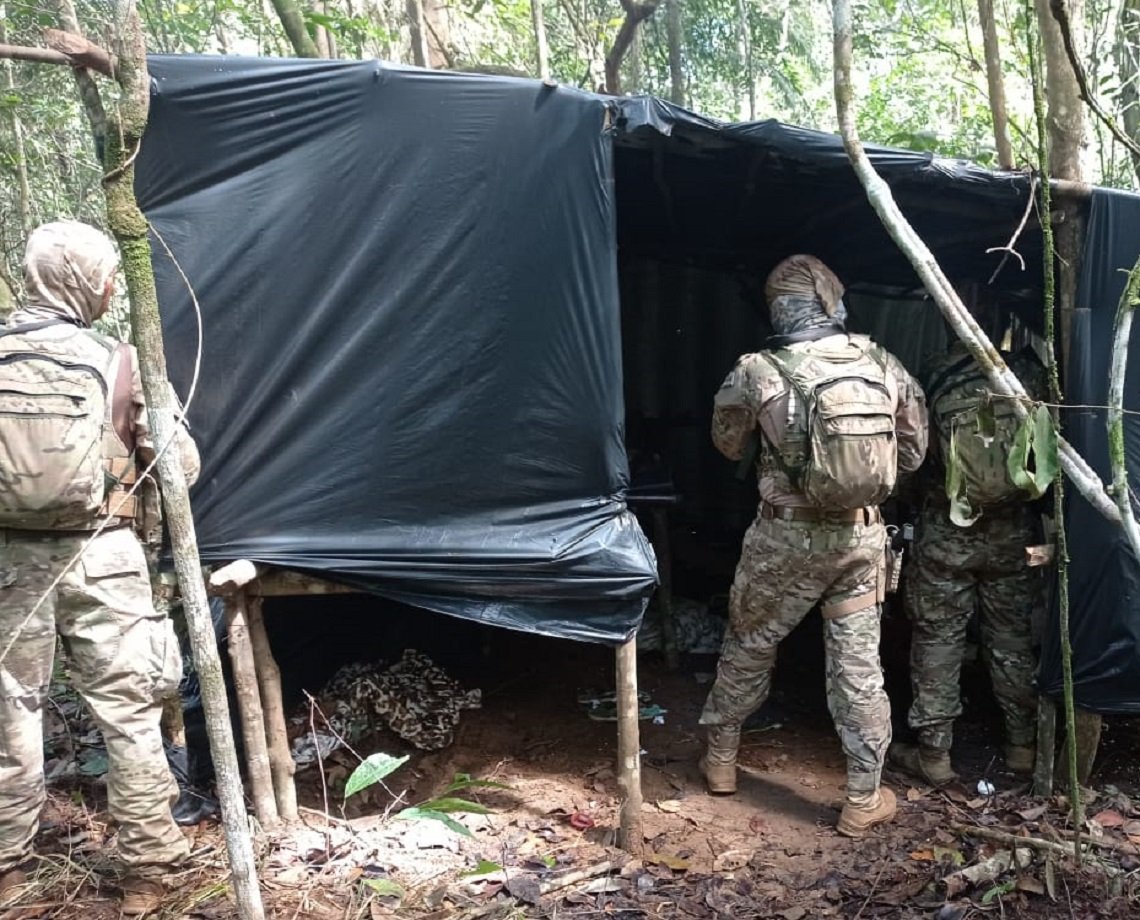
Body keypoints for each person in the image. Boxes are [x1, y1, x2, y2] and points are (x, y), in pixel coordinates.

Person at [0, 220, 200, 915]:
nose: (113, 286)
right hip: (106, 556)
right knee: (130, 714)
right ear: (87, 280)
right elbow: (182, 467)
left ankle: (7, 873)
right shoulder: (118, 360)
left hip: (7, 561)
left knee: (9, 716)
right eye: (108, 274)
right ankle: (149, 874)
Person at [698, 254, 928, 837]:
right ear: (832, 302)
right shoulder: (882, 363)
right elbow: (913, 454)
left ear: (777, 309)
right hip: (859, 537)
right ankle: (862, 796)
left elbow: (727, 444)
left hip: (783, 536)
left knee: (751, 642)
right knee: (857, 665)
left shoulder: (757, 368)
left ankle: (721, 763)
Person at [891, 313, 1047, 786]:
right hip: (1013, 532)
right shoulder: (1031, 376)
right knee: (1012, 639)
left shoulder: (933, 373)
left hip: (947, 530)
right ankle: (1022, 747)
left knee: (938, 640)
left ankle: (934, 754)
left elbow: (913, 458)